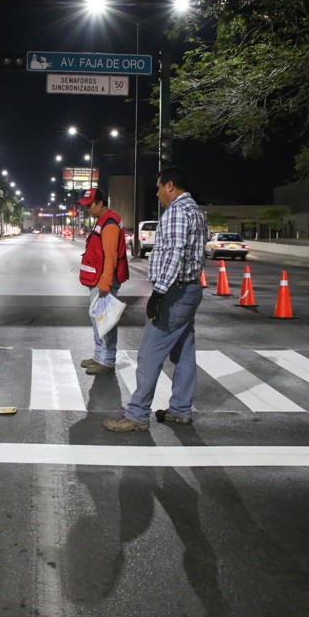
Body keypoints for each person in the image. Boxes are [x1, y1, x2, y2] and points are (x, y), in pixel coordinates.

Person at [104, 166, 207, 431]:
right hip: (191, 289)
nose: (158, 192)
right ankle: (181, 409)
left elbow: (173, 254)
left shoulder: (176, 211)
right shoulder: (196, 210)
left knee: (149, 354)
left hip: (174, 292)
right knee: (184, 350)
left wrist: (159, 293)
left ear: (170, 185)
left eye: (160, 186)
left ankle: (137, 415)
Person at [76, 187, 129, 375]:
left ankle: (106, 360)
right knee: (98, 319)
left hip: (104, 281)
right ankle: (99, 356)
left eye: (90, 205)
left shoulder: (110, 224)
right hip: (98, 280)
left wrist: (105, 283)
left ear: (101, 203)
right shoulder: (104, 220)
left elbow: (111, 256)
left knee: (105, 319)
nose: (88, 209)